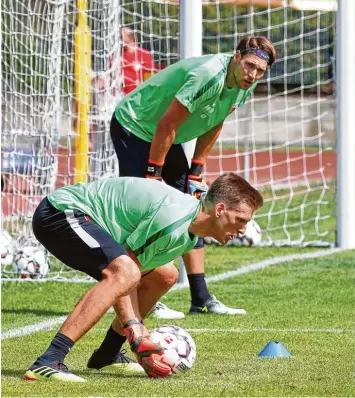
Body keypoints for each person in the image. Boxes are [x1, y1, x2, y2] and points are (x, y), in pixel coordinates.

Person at [23, 173, 263, 382]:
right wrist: (136, 332)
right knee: (124, 273)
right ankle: (49, 359)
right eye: (240, 220)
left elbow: (132, 273)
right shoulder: (173, 222)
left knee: (166, 275)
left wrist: (137, 335)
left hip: (79, 219)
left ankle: (107, 354)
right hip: (60, 213)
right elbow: (125, 274)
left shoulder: (187, 233)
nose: (242, 229)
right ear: (220, 209)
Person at [110, 35, 276, 320]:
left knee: (193, 204)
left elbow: (216, 120)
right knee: (150, 212)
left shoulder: (246, 83)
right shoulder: (208, 74)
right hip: (136, 126)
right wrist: (154, 174)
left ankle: (200, 297)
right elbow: (167, 123)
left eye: (260, 71)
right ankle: (142, 288)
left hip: (164, 135)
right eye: (249, 66)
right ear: (237, 57)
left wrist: (196, 170)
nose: (253, 75)